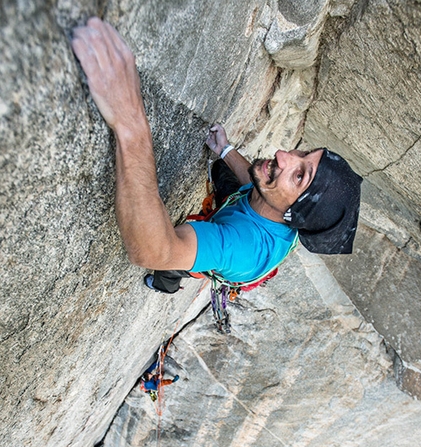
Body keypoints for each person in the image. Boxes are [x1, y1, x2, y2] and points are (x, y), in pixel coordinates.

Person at [71, 18, 362, 295]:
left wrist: (131, 124)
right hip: (245, 209)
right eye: (303, 155)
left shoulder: (240, 247)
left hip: (233, 246)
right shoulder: (279, 202)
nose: (283, 155)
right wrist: (225, 150)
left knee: (171, 267)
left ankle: (164, 285)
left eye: (300, 176)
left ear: (292, 214)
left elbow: (154, 250)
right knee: (230, 176)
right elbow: (254, 183)